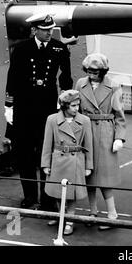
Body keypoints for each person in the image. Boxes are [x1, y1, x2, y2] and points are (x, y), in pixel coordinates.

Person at [4, 12, 73, 209]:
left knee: (47, 152)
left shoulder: (59, 48)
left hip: (47, 108)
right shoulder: (22, 49)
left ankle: (47, 198)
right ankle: (30, 197)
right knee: (24, 154)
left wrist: (65, 100)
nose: (49, 34)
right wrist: (9, 105)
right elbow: (13, 78)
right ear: (35, 30)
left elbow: (65, 77)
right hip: (24, 108)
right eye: (44, 31)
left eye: (50, 30)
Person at [75, 52, 126, 230]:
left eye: (95, 71)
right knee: (88, 174)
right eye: (89, 70)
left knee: (104, 176)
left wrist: (119, 137)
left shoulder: (113, 86)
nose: (91, 74)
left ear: (103, 71)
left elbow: (119, 116)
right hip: (85, 131)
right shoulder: (81, 84)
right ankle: (93, 211)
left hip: (105, 132)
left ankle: (112, 214)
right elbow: (77, 110)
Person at [41, 90, 93, 236]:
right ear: (64, 106)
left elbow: (89, 146)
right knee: (57, 193)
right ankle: (61, 216)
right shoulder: (52, 119)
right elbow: (47, 144)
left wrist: (89, 165)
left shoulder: (85, 121)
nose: (76, 108)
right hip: (58, 160)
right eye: (73, 106)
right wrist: (46, 164)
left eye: (78, 105)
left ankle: (69, 220)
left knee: (72, 194)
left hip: (75, 160)